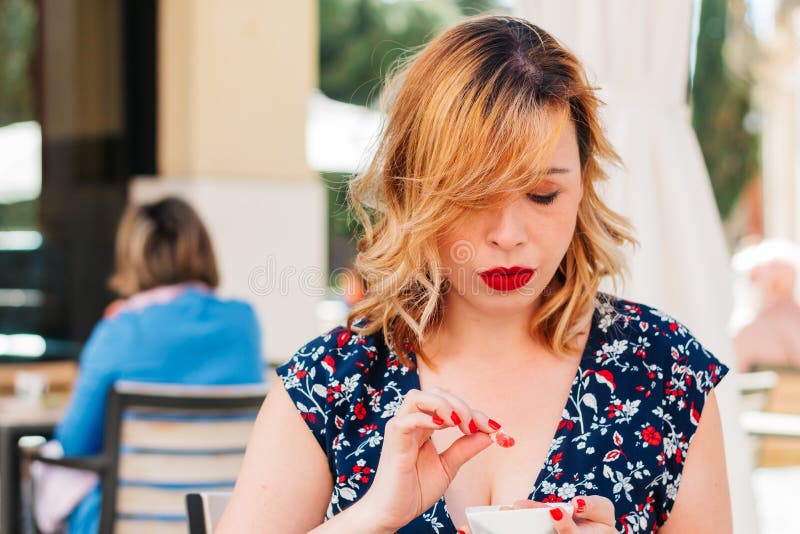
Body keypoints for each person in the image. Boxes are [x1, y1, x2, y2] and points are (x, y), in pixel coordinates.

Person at [219, 16, 731, 533]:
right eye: (474, 195)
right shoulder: (330, 384)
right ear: (412, 190)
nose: (508, 234)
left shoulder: (664, 370)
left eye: (542, 195)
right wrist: (372, 517)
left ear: (583, 188)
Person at [40, 197, 265, 533]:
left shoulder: (120, 329)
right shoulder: (242, 322)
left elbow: (73, 443)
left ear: (132, 259)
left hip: (125, 521)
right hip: (218, 517)